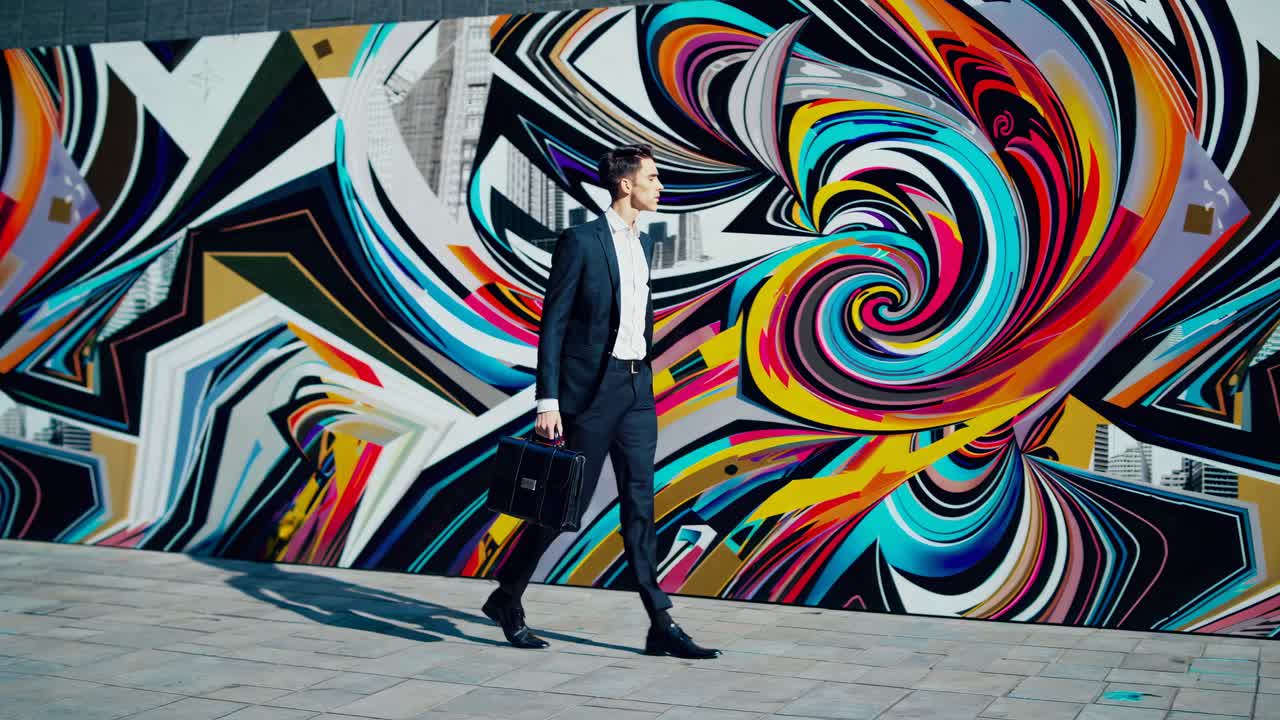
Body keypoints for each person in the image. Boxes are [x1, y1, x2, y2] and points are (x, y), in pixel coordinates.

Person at [482, 144, 721, 660]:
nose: (661, 186)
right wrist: (547, 402)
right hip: (590, 394)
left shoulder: (642, 245)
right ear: (625, 185)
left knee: (640, 504)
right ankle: (507, 596)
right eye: (653, 178)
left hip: (637, 391)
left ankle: (660, 622)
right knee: (561, 507)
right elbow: (554, 324)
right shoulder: (582, 242)